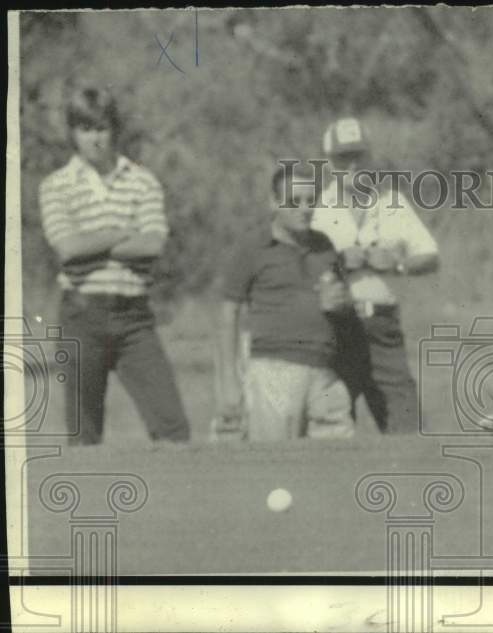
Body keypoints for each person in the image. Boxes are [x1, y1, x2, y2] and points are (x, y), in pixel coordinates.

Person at [39, 84, 191, 445]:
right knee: (85, 433)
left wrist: (95, 240)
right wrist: (121, 231)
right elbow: (68, 249)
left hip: (133, 318)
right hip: (82, 315)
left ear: (115, 130)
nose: (95, 139)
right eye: (86, 129)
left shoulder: (142, 181)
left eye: (102, 128)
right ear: (73, 133)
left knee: (173, 428)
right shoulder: (56, 185)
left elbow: (153, 243)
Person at [310, 117, 440, 434]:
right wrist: (338, 261)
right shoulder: (315, 207)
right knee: (332, 422)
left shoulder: (391, 202)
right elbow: (297, 263)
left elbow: (430, 255)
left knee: (406, 421)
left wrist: (398, 264)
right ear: (329, 163)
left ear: (369, 158)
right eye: (343, 159)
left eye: (359, 157)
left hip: (382, 325)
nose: (352, 166)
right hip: (333, 325)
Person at [216, 166, 355, 441]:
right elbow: (228, 313)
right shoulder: (252, 248)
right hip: (275, 371)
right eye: (294, 200)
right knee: (275, 465)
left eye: (310, 200)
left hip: (325, 370)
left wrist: (340, 303)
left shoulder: (325, 245)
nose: (304, 208)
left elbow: (344, 303)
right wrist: (229, 382)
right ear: (274, 202)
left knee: (339, 461)